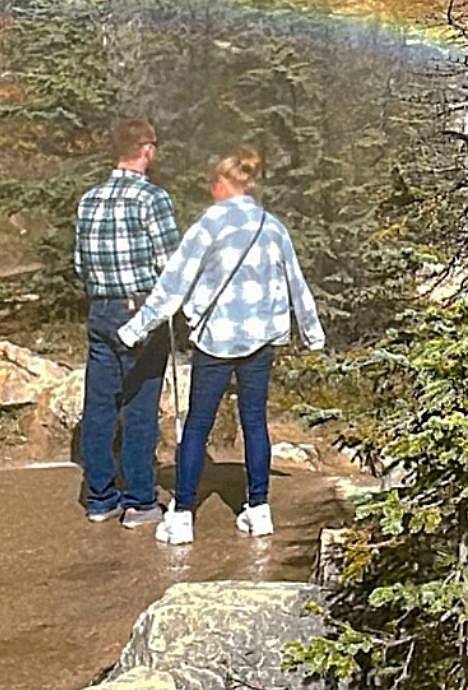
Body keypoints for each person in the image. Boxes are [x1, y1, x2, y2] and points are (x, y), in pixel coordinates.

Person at [118, 145, 325, 545]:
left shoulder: (209, 225)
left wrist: (134, 329)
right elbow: (297, 285)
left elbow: (172, 287)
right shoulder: (272, 225)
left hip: (216, 339)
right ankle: (259, 509)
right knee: (254, 422)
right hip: (261, 340)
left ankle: (181, 517)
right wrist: (312, 335)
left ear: (221, 183)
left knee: (196, 424)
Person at [74, 116, 180, 525]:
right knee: (139, 405)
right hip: (139, 310)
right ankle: (139, 499)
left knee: (99, 404)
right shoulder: (151, 199)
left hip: (100, 308)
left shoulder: (89, 199)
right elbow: (171, 267)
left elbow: (80, 263)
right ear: (147, 150)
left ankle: (99, 497)